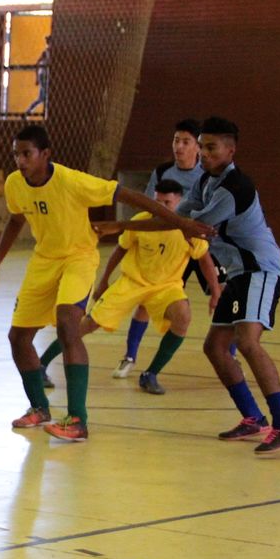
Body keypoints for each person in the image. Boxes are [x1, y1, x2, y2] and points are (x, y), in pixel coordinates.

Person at [0, 125, 213, 442]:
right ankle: (39, 408)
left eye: (26, 154)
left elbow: (133, 198)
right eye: (16, 154)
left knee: (68, 323)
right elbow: (16, 220)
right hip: (43, 261)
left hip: (78, 258)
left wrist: (181, 222)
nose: (20, 160)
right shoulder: (14, 184)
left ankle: (77, 420)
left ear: (45, 154)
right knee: (18, 338)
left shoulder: (73, 181)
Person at [176, 117, 280, 453]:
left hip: (260, 269)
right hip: (237, 273)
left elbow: (196, 224)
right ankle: (252, 418)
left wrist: (172, 221)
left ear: (231, 150)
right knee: (215, 347)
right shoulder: (204, 182)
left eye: (210, 148)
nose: (203, 154)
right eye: (201, 146)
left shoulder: (236, 187)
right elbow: (179, 215)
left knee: (247, 341)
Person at [36, 179, 220, 396]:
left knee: (183, 316)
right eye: (156, 201)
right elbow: (120, 250)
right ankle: (41, 365)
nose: (159, 207)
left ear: (180, 202)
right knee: (87, 324)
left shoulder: (187, 228)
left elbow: (205, 260)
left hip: (166, 286)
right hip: (132, 283)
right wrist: (104, 280)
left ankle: (150, 374)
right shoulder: (140, 222)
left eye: (167, 203)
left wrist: (215, 290)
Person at [112, 118, 206, 378]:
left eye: (186, 141)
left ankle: (230, 355)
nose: (179, 146)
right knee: (146, 299)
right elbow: (148, 207)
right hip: (168, 247)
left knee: (222, 295)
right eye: (176, 140)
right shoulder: (163, 171)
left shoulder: (207, 175)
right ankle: (129, 356)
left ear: (198, 147)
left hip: (198, 244)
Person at [25, 36, 51, 116]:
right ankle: (44, 114)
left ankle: (28, 111)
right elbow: (37, 64)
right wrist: (37, 78)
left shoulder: (47, 52)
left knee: (41, 98)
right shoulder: (46, 52)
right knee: (45, 97)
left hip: (44, 75)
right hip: (44, 75)